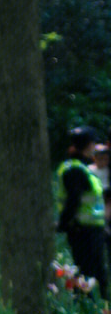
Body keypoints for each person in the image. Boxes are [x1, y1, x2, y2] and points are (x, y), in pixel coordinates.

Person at [57, 125, 108, 297]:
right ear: (89, 145)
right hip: (83, 231)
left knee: (96, 274)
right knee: (88, 275)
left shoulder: (80, 166)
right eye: (94, 143)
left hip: (91, 230)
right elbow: (73, 200)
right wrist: (63, 224)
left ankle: (100, 313)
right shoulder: (75, 169)